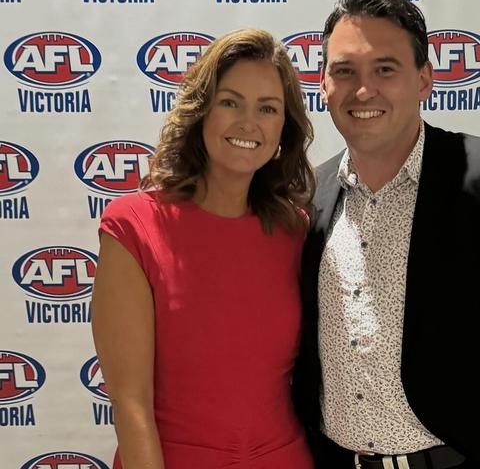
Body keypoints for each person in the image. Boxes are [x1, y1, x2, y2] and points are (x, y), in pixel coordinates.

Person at [291, 0, 480, 469]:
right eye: (344, 71)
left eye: (385, 69)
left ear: (425, 79)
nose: (362, 90)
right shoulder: (307, 194)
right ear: (323, 84)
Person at [91, 28, 315, 469]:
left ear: (282, 128)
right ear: (201, 111)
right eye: (230, 102)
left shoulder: (297, 231)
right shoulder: (134, 226)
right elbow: (131, 404)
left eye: (267, 108)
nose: (248, 123)